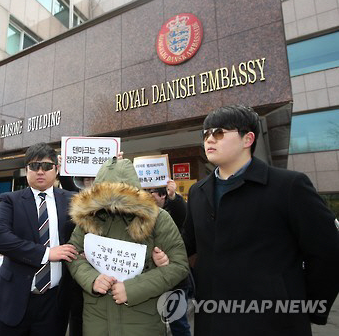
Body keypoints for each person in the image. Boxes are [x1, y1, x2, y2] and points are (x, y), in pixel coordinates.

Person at [182, 105, 339, 336]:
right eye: (205, 134)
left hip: (273, 321)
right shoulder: (198, 191)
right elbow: (187, 243)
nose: (209, 139)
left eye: (218, 132)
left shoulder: (288, 186)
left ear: (248, 139)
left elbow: (328, 251)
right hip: (212, 318)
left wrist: (306, 305)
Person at [67, 157, 189, 336]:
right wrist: (92, 279)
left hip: (142, 320)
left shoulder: (158, 218)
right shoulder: (89, 217)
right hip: (97, 321)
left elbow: (179, 265)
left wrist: (133, 289)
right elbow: (74, 254)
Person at [0, 142, 79, 336]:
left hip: (54, 305)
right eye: (34, 166)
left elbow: (97, 202)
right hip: (13, 301)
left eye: (46, 166)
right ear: (26, 170)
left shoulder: (71, 200)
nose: (40, 171)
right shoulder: (10, 200)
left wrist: (112, 165)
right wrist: (46, 253)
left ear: (56, 169)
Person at [148, 180, 192, 336]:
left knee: (178, 322)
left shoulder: (172, 211)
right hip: (153, 279)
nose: (148, 196)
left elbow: (182, 213)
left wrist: (173, 196)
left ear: (162, 196)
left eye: (152, 193)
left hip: (175, 279)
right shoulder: (143, 214)